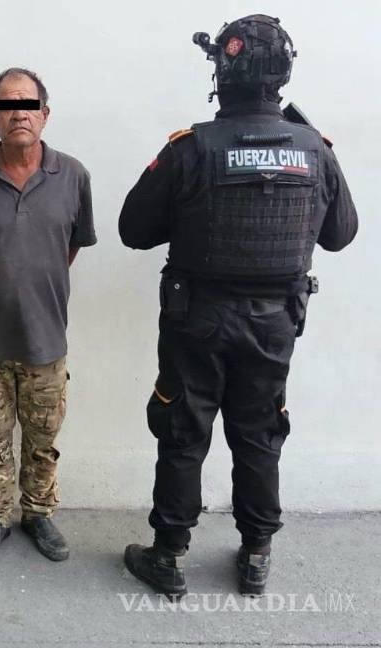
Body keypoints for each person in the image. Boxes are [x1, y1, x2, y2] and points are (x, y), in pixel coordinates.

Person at [118, 15, 357, 598]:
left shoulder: (191, 148)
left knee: (183, 431)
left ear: (221, 74)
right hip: (274, 323)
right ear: (283, 73)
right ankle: (255, 555)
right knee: (259, 433)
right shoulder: (314, 149)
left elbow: (133, 230)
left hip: (196, 320)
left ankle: (168, 556)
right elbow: (341, 234)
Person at [0, 68, 96, 566]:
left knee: (42, 440)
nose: (19, 114)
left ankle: (38, 514)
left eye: (28, 105)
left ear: (44, 114)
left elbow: (70, 246)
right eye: (7, 106)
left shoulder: (73, 176)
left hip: (45, 339)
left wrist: (34, 283)